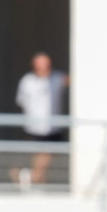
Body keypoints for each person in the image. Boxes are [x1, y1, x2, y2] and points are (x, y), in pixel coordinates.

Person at [13, 51, 69, 187]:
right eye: (42, 65)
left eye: (47, 65)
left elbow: (70, 80)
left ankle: (33, 178)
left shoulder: (56, 77)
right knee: (39, 157)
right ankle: (36, 179)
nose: (45, 68)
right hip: (34, 128)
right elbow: (21, 101)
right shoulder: (27, 81)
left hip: (53, 127)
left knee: (47, 156)